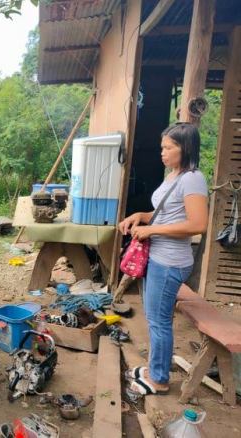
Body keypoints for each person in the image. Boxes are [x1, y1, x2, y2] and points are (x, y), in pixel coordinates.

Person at [119, 122, 208, 396]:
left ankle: (158, 379)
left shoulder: (192, 179)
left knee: (159, 321)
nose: (163, 152)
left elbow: (198, 224)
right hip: (158, 257)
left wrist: (152, 230)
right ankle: (154, 368)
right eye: (162, 147)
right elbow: (165, 213)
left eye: (169, 148)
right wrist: (140, 216)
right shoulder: (173, 175)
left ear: (186, 148)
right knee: (154, 317)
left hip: (170, 262)